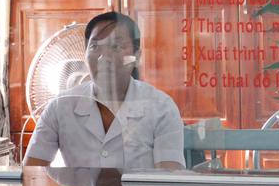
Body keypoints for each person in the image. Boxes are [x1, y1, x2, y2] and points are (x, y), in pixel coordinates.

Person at [24, 11, 185, 170]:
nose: (102, 57)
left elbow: (169, 178)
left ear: (137, 56)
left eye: (115, 46)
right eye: (94, 47)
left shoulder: (161, 107)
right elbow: (32, 173)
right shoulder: (60, 106)